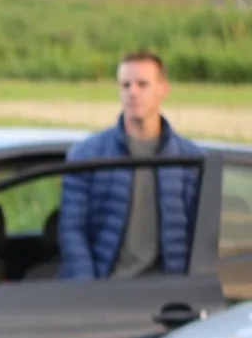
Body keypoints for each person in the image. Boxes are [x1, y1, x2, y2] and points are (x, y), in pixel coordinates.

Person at [57, 51, 202, 280]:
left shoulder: (191, 160)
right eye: (125, 85)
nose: (133, 92)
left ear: (163, 89)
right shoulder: (86, 155)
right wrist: (87, 291)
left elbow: (200, 234)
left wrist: (186, 288)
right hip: (107, 291)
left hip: (168, 296)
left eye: (142, 84)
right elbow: (72, 230)